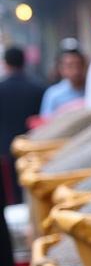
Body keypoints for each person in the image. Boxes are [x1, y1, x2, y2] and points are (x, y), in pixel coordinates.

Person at [0, 47, 44, 206]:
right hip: (34, 149)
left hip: (5, 150)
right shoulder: (38, 88)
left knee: (11, 195)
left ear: (5, 63)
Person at [39, 43, 86, 116]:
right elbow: (46, 121)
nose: (75, 71)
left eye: (78, 65)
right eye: (70, 66)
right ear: (61, 68)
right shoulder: (53, 94)